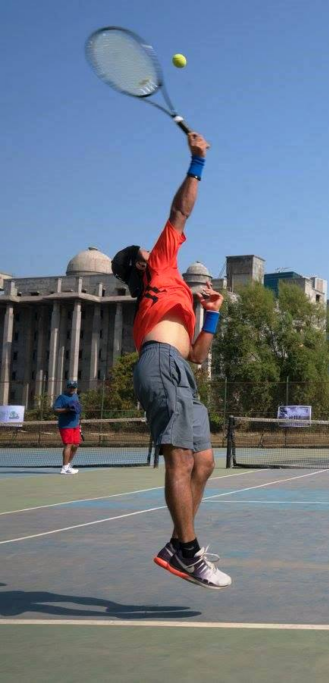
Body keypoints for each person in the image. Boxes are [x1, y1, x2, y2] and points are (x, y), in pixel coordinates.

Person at [110, 131, 229, 590]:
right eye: (146, 250)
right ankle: (187, 549)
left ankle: (180, 545)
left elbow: (198, 356)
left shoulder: (171, 292)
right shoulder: (159, 268)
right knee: (179, 460)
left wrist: (212, 315)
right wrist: (197, 161)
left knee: (203, 463)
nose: (153, 247)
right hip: (160, 365)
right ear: (142, 265)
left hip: (180, 368)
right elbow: (180, 212)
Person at [52, 380, 83, 474]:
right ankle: (64, 468)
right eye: (70, 387)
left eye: (74, 387)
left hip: (75, 424)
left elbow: (77, 409)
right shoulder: (62, 397)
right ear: (67, 387)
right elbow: (55, 410)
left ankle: (68, 465)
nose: (72, 389)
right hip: (66, 425)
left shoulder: (75, 396)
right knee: (68, 444)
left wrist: (79, 421)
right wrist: (67, 409)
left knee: (76, 444)